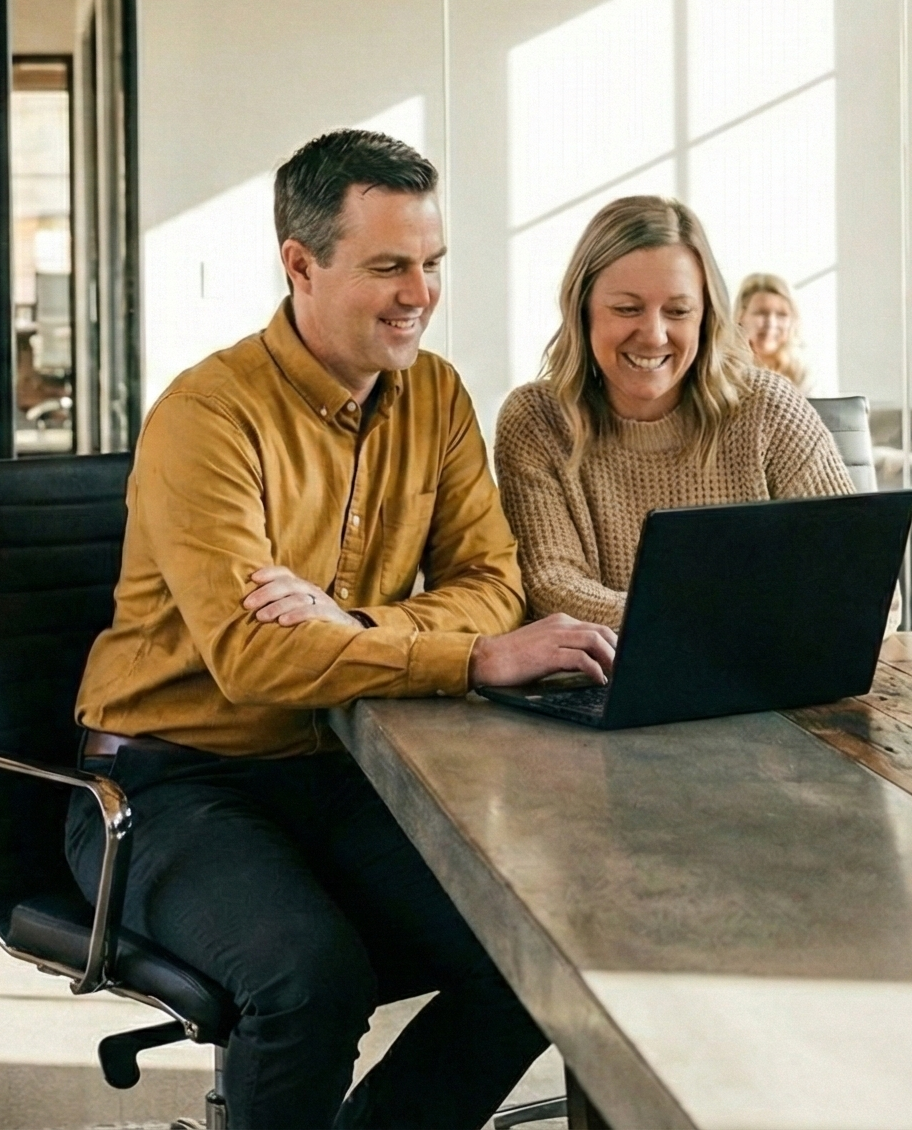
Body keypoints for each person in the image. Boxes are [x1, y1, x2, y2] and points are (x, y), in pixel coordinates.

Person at [70, 130, 611, 1129]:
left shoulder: (436, 398)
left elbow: (491, 579)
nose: (420, 291)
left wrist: (355, 623)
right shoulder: (208, 414)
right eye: (388, 265)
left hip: (341, 770)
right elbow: (255, 653)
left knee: (541, 950)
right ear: (299, 265)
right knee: (308, 978)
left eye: (432, 262)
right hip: (168, 782)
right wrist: (472, 655)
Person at [494, 197, 853, 628]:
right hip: (606, 684)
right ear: (582, 309)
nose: (654, 334)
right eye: (627, 308)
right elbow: (551, 587)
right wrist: (717, 619)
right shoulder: (536, 420)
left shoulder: (769, 408)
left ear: (705, 316)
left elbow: (860, 583)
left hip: (768, 679)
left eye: (678, 311)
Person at [734, 271, 809, 389]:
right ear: (741, 316)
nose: (771, 323)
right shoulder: (723, 370)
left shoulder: (805, 372)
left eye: (781, 315)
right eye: (761, 313)